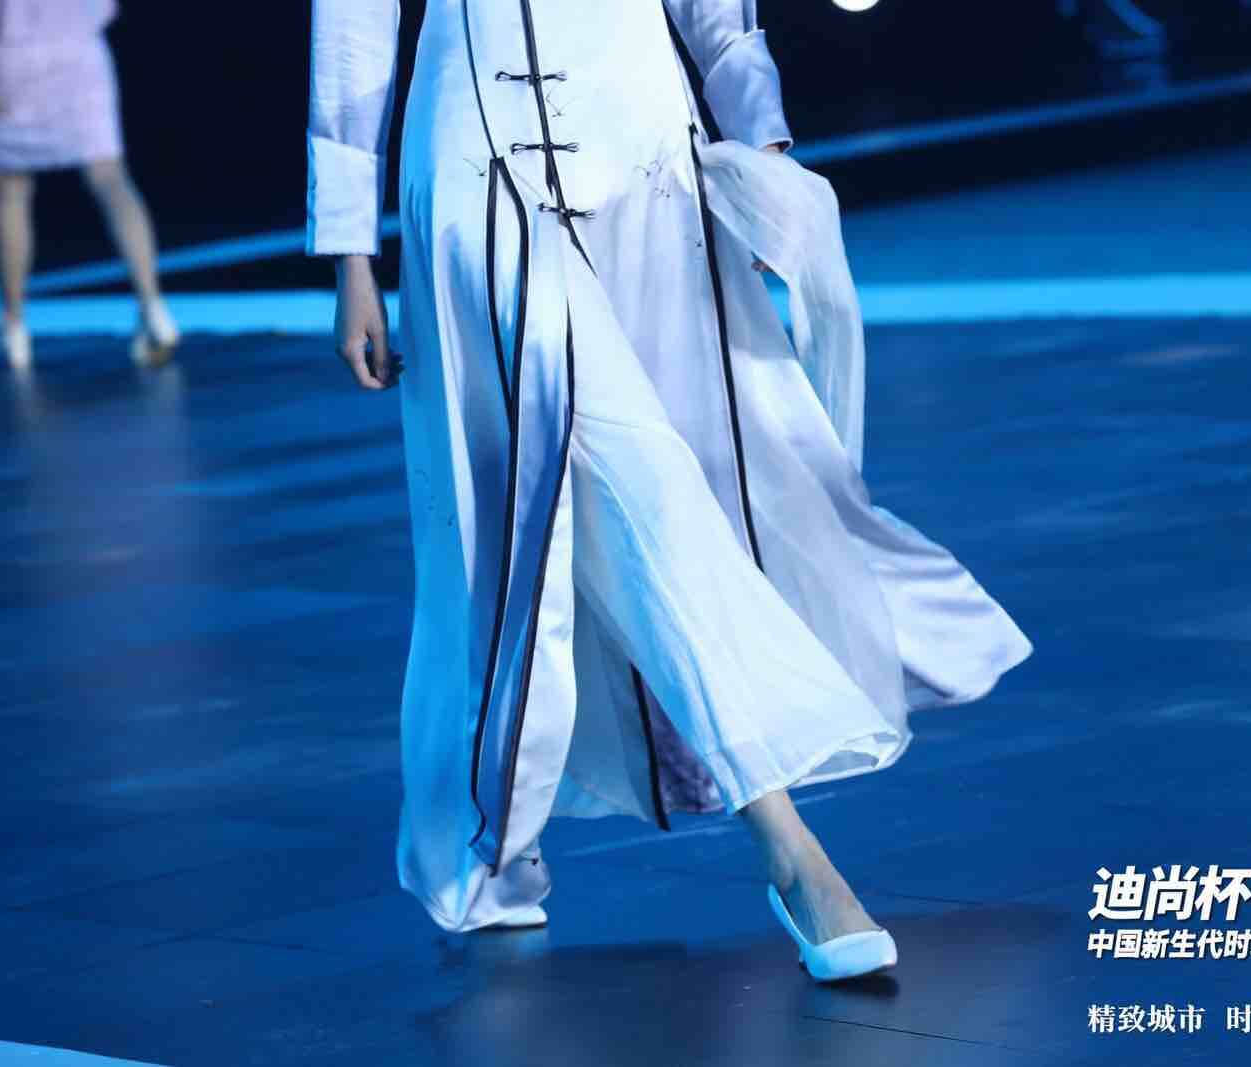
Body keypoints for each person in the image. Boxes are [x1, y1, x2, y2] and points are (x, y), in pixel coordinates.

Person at [308, 0, 1031, 981]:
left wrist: (761, 141)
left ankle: (480, 849)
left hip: (641, 148)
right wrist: (350, 251)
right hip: (476, 162)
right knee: (611, 482)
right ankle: (792, 852)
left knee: (640, 488)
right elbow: (351, 21)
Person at [0, 0, 179, 368]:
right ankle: (153, 306)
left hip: (13, 59)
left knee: (11, 192)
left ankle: (12, 325)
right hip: (79, 57)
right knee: (111, 181)